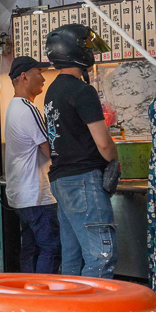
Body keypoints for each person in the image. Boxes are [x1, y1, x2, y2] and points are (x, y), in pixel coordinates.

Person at [42, 24, 119, 278]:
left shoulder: (53, 91)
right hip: (84, 182)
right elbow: (104, 143)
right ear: (77, 51)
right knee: (100, 257)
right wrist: (114, 163)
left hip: (61, 181)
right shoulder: (82, 91)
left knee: (72, 259)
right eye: (87, 46)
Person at [3, 57, 61, 274]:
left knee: (31, 247)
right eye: (39, 72)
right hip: (36, 195)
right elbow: (50, 150)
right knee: (51, 247)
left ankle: (29, 294)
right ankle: (43, 297)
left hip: (22, 195)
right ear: (24, 77)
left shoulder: (13, 107)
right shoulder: (28, 109)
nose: (43, 78)